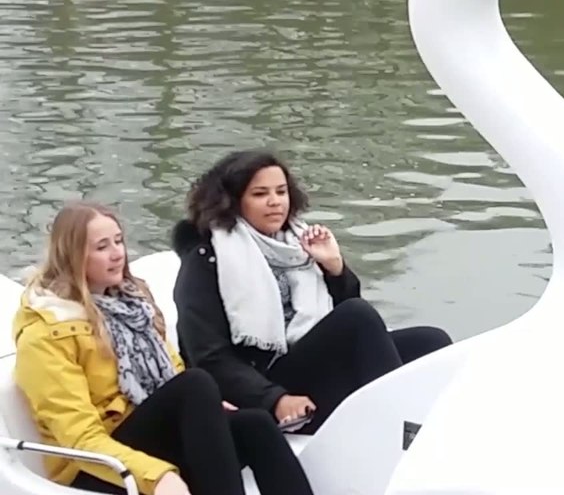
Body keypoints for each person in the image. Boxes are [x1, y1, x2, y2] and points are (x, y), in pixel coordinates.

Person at [12, 201, 314, 495]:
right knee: (196, 385)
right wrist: (156, 477)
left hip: (143, 435)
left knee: (255, 424)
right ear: (72, 256)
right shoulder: (47, 333)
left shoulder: (134, 304)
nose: (117, 254)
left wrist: (208, 408)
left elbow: (171, 375)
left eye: (118, 241)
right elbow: (79, 438)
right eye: (102, 247)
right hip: (94, 466)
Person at [171, 148, 453, 435]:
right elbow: (209, 356)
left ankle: (432, 427)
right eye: (260, 194)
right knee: (356, 317)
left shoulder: (295, 244)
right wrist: (274, 398)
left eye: (281, 192)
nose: (275, 202)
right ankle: (399, 430)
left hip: (307, 359)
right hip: (263, 380)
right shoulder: (207, 259)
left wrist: (335, 268)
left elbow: (349, 318)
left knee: (430, 341)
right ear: (232, 202)